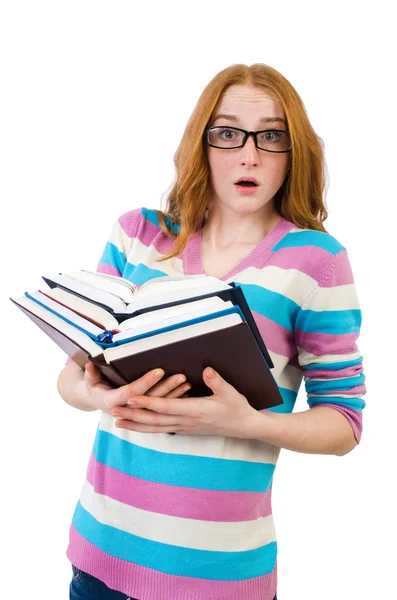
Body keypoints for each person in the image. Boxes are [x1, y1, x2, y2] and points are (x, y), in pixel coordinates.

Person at [57, 63, 366, 600]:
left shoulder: (317, 261)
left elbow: (344, 424)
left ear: (295, 153)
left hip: (219, 579)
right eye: (227, 134)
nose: (249, 155)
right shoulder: (138, 235)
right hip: (97, 558)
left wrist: (249, 423)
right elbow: (69, 380)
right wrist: (96, 392)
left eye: (271, 136)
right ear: (201, 144)